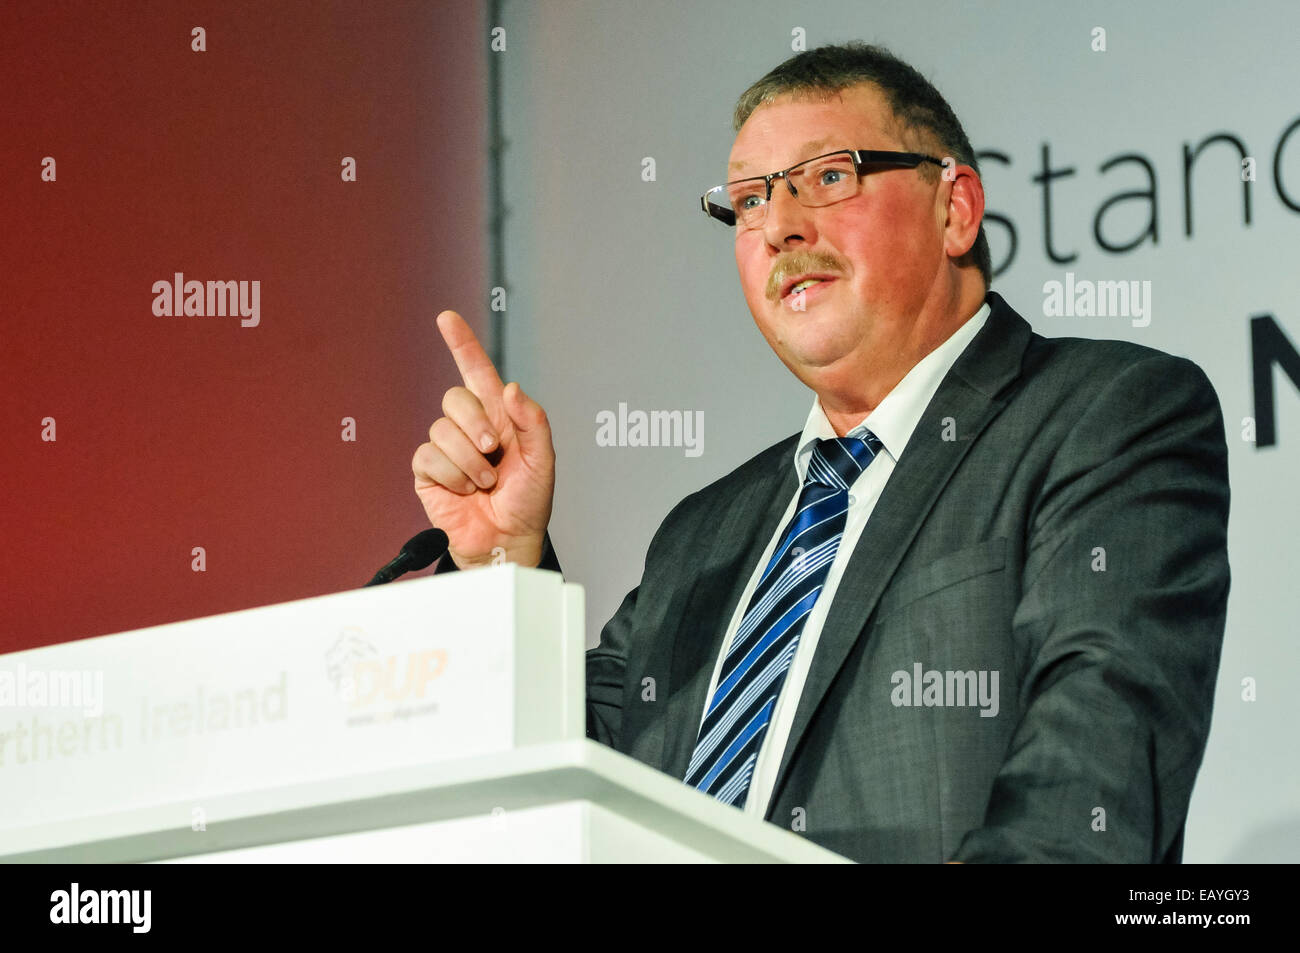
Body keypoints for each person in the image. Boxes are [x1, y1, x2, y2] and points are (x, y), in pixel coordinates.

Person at [411, 43, 1230, 863]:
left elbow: (1087, 796)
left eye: (829, 177)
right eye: (750, 200)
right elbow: (566, 782)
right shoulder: (702, 533)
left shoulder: (1107, 415)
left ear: (956, 209)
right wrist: (499, 568)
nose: (781, 228)